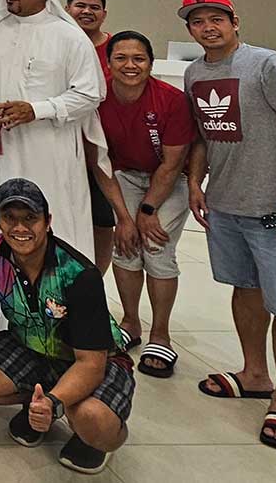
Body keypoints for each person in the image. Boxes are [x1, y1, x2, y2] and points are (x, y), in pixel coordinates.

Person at [181, 0, 276, 452]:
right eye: (197, 22)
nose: (208, 27)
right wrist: (196, 183)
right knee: (244, 290)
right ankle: (254, 374)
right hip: (227, 205)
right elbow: (200, 137)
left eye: (216, 19)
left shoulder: (268, 64)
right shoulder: (195, 72)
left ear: (234, 22)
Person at [0, 178, 134, 474]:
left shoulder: (79, 274)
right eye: (9, 218)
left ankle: (92, 436)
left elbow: (91, 363)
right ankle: (37, 404)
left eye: (30, 218)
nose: (20, 228)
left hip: (93, 358)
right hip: (31, 347)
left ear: (48, 221)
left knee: (91, 418)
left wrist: (55, 402)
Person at [0, 0, 106, 256]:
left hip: (48, 149)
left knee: (50, 214)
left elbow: (91, 94)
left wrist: (37, 110)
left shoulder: (70, 37)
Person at [90, 31, 195, 377]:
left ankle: (161, 335)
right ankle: (131, 323)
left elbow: (173, 163)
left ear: (150, 63)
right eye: (121, 58)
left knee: (156, 245)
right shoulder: (98, 97)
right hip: (124, 175)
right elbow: (100, 163)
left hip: (167, 178)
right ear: (108, 62)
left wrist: (146, 211)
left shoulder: (171, 99)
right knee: (126, 245)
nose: (130, 65)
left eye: (139, 59)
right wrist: (124, 217)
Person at [68, 0, 117, 272]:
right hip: (64, 147)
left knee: (102, 221)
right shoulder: (59, 42)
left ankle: (95, 285)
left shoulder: (116, 48)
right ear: (67, 9)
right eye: (80, 6)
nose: (87, 11)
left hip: (104, 153)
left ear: (104, 13)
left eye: (94, 7)